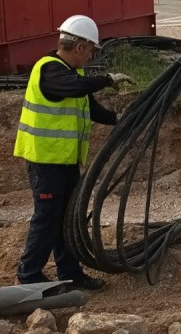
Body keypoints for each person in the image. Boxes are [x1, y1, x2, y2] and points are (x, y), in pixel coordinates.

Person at [13, 15, 134, 291]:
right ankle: (29, 274)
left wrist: (120, 118)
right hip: (45, 162)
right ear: (79, 47)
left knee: (68, 217)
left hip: (65, 161)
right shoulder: (49, 70)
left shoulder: (73, 74)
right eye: (91, 50)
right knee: (47, 218)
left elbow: (90, 108)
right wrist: (106, 80)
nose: (91, 56)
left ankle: (70, 274)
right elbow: (76, 89)